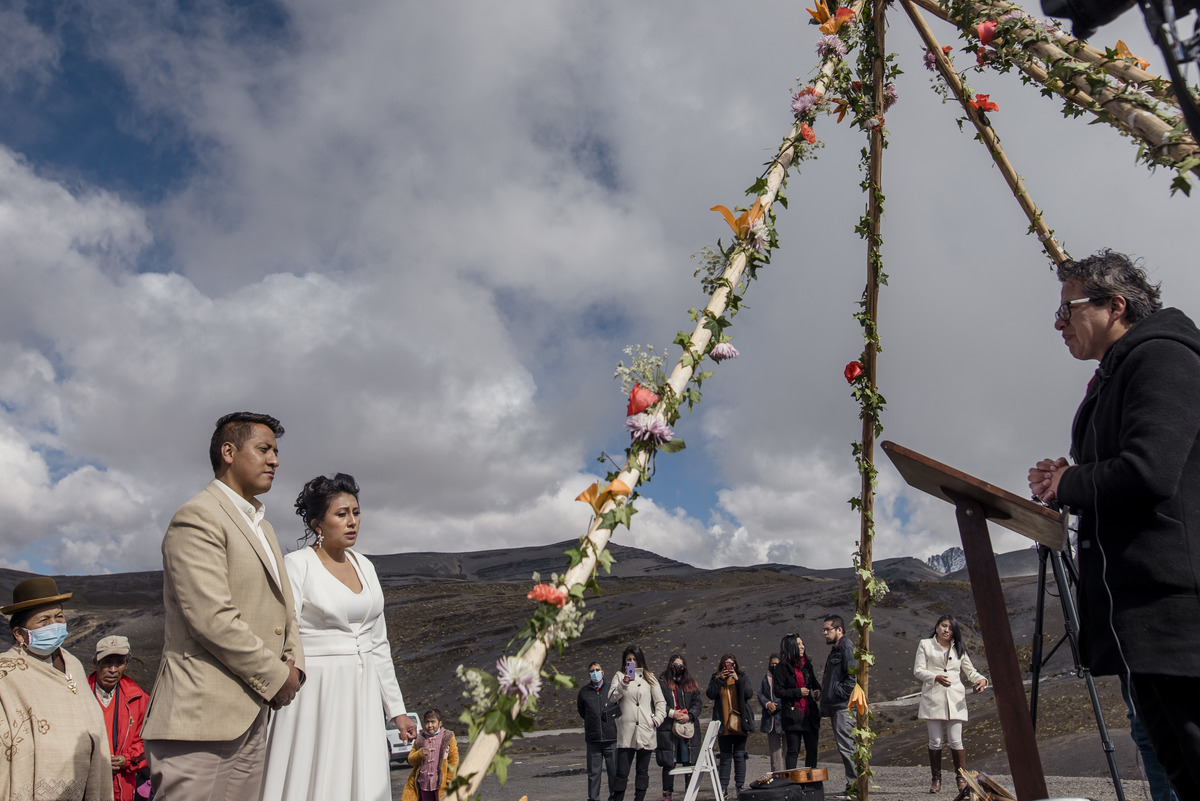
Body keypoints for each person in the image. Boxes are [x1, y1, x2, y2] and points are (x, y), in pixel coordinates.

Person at [1027, 250, 1200, 798]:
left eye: (1067, 310)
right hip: (1141, 616)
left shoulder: (1163, 358)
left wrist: (1069, 484)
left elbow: (1150, 471)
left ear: (1116, 305)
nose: (1058, 324)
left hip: (1175, 615)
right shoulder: (1117, 372)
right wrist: (1071, 475)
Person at [142, 411, 305, 800]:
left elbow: (286, 610)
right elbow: (211, 618)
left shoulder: (263, 527)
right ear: (229, 452)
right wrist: (276, 676)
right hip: (200, 719)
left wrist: (295, 665)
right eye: (264, 449)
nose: (275, 460)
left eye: (277, 451)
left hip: (251, 714)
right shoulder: (197, 517)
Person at [261, 472, 417, 800]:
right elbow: (282, 630)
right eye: (341, 514)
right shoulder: (297, 565)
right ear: (318, 523)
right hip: (312, 691)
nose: (352, 522)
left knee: (361, 777)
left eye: (356, 513)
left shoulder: (366, 567)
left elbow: (378, 643)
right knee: (311, 773)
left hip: (361, 693)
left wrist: (397, 711)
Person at [0, 576, 113, 801]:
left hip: (86, 780)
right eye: (43, 620)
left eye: (59, 617)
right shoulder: (6, 672)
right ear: (20, 634)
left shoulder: (72, 663)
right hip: (39, 786)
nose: (54, 625)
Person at [913, 615, 987, 793]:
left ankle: (961, 779)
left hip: (955, 699)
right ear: (937, 626)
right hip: (933, 698)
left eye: (950, 627)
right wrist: (935, 677)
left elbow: (971, 671)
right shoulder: (926, 644)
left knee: (956, 740)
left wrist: (982, 680)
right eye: (943, 625)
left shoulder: (959, 648)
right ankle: (936, 780)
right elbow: (918, 670)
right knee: (935, 741)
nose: (946, 630)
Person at [87, 636, 149, 801]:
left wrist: (127, 759)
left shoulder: (139, 699)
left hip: (121, 787)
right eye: (107, 663)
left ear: (126, 665)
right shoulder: (79, 696)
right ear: (96, 663)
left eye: (119, 663)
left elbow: (149, 742)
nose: (113, 670)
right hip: (86, 780)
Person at [609, 645, 666, 801]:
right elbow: (612, 698)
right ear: (625, 661)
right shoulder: (619, 676)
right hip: (626, 732)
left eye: (635, 659)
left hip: (645, 730)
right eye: (629, 660)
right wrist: (624, 684)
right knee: (621, 773)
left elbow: (661, 702)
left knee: (642, 772)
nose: (632, 662)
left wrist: (656, 719)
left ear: (640, 659)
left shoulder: (650, 677)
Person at [706, 653, 754, 797]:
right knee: (725, 757)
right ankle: (723, 787)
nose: (729, 667)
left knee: (740, 755)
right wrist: (720, 679)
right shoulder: (716, 678)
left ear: (735, 665)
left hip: (740, 722)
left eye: (731, 665)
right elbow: (710, 694)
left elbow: (749, 694)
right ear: (721, 666)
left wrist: (738, 680)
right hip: (723, 723)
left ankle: (740, 786)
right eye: (725, 665)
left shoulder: (742, 676)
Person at [820, 615, 858, 797]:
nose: (824, 633)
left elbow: (852, 677)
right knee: (845, 747)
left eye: (828, 629)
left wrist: (838, 693)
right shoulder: (836, 649)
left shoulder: (846, 647)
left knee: (847, 747)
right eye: (824, 629)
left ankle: (856, 787)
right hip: (837, 705)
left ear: (839, 630)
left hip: (844, 706)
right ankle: (853, 786)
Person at [656, 654, 702, 801]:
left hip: (687, 726)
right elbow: (658, 702)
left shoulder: (690, 683)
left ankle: (690, 793)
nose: (678, 669)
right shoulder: (662, 682)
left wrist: (690, 715)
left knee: (688, 760)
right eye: (675, 665)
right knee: (670, 761)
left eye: (681, 666)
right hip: (669, 727)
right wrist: (672, 713)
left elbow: (697, 702)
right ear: (670, 666)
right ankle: (667, 795)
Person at [772, 635, 821, 770]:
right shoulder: (782, 667)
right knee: (793, 750)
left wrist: (817, 690)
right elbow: (778, 691)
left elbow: (814, 683)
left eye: (802, 644)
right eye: (798, 644)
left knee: (812, 749)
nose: (802, 647)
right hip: (793, 714)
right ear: (790, 646)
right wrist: (797, 692)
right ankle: (792, 784)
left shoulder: (807, 665)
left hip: (809, 714)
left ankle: (810, 783)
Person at [578, 660, 619, 801]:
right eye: (592, 671)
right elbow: (582, 711)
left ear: (602, 672)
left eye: (597, 670)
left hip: (611, 738)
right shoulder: (584, 692)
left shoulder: (611, 688)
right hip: (593, 739)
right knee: (593, 773)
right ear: (589, 674)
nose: (595, 673)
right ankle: (594, 798)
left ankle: (614, 798)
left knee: (613, 772)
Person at [401, 709, 459, 801]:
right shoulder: (420, 738)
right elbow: (411, 760)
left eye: (433, 722)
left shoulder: (447, 737)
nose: (430, 725)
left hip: (441, 785)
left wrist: (450, 779)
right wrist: (419, 754)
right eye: (427, 722)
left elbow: (454, 759)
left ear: (440, 723)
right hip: (424, 784)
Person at [757, 653, 786, 773]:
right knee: (774, 750)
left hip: (784, 717)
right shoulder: (766, 677)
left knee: (787, 748)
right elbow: (760, 693)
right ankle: (776, 772)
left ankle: (787, 771)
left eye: (776, 663)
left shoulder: (786, 676)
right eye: (772, 663)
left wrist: (776, 705)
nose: (774, 666)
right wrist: (768, 704)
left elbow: (788, 693)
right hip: (770, 718)